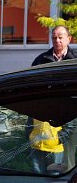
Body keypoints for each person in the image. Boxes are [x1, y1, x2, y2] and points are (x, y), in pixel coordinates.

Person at [31, 26, 77, 172]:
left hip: (71, 116)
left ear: (69, 39)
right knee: (41, 161)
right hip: (46, 116)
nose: (57, 40)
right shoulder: (41, 60)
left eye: (60, 37)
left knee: (68, 160)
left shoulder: (74, 60)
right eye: (54, 38)